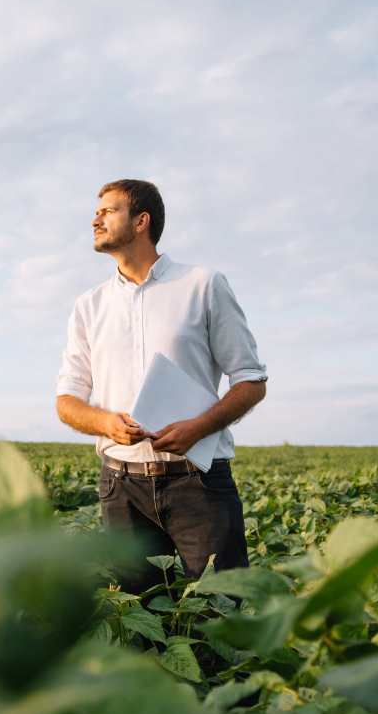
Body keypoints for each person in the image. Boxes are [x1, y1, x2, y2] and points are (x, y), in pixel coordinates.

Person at [55, 179, 267, 593]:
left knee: (218, 614)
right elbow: (66, 401)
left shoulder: (203, 285)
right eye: (97, 211)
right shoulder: (89, 306)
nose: (95, 218)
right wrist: (106, 424)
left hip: (199, 484)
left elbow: (251, 379)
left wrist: (199, 427)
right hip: (120, 487)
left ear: (141, 221)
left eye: (108, 210)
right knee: (139, 618)